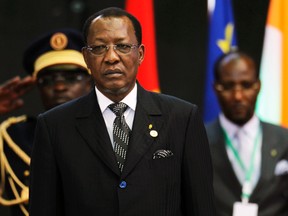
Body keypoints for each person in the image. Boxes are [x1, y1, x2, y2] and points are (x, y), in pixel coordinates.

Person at [29, 7, 216, 216]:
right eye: (99, 48)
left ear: (141, 54)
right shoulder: (54, 125)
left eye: (123, 46)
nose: (111, 57)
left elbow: (202, 208)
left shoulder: (182, 117)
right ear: (86, 58)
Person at [0, 28, 92, 216]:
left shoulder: (112, 132)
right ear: (38, 86)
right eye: (47, 80)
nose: (59, 86)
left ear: (90, 83)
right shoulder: (15, 137)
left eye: (71, 78)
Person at [205, 50, 288, 216]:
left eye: (246, 85)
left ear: (258, 86)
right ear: (215, 88)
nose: (238, 96)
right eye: (228, 86)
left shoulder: (284, 139)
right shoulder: (197, 140)